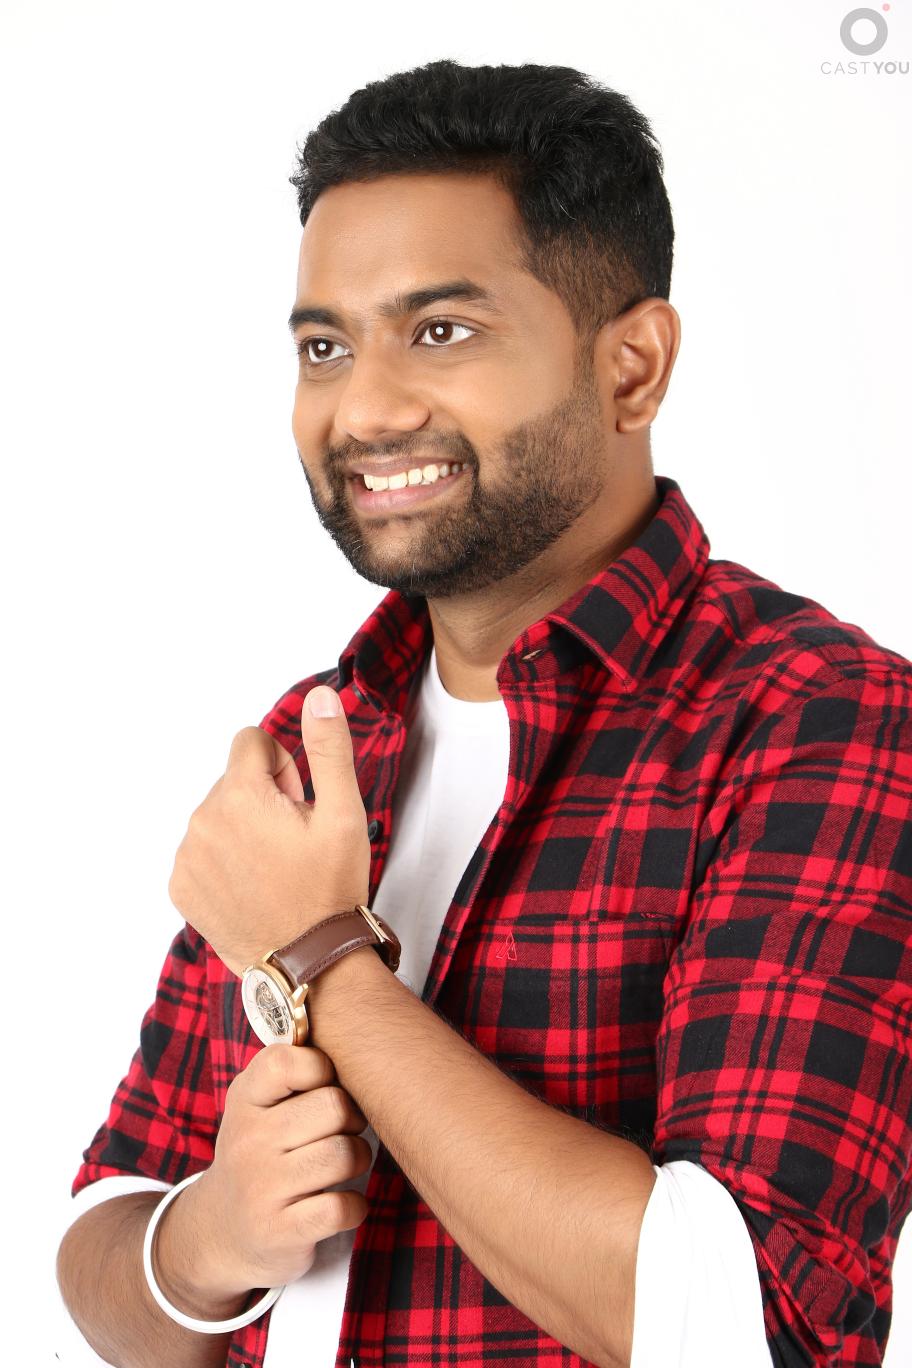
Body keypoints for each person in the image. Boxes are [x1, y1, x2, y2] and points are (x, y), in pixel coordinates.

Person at [55, 58, 912, 1368]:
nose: (366, 408)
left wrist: (319, 957)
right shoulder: (318, 739)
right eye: (325, 347)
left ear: (632, 367)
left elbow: (750, 1327)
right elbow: (103, 1237)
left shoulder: (818, 722)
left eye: (442, 331)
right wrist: (212, 1239)